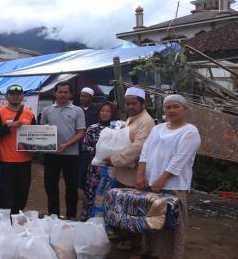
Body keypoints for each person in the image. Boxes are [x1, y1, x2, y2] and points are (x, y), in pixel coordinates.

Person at [134, 94, 201, 259]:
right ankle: (148, 252)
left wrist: (162, 180)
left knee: (171, 224)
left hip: (173, 185)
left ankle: (169, 255)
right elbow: (145, 151)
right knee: (150, 220)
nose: (171, 110)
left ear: (185, 109)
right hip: (150, 183)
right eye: (168, 107)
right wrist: (140, 174)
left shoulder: (190, 131)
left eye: (176, 106)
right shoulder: (157, 128)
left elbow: (179, 160)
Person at [104, 86, 155, 251]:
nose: (130, 106)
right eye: (127, 103)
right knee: (124, 207)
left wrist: (114, 159)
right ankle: (125, 234)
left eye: (134, 103)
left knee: (133, 209)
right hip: (124, 171)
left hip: (134, 173)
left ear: (143, 104)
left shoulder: (145, 121)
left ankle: (134, 241)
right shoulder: (132, 118)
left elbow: (138, 148)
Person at [40, 81, 86, 220]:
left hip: (71, 154)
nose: (63, 94)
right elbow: (42, 131)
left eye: (66, 92)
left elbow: (81, 132)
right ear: (55, 93)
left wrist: (67, 144)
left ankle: (71, 215)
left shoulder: (78, 110)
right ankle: (53, 215)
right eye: (60, 92)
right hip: (51, 154)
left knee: (71, 186)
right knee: (50, 185)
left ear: (70, 94)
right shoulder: (47, 110)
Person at [0, 85, 36, 214]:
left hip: (25, 161)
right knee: (5, 193)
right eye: (12, 93)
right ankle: (4, 220)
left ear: (22, 96)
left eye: (18, 93)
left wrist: (37, 148)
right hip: (6, 161)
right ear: (6, 96)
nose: (15, 96)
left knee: (22, 192)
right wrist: (9, 125)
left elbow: (35, 135)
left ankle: (17, 217)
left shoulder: (30, 114)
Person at [80, 102, 118, 221]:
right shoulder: (93, 128)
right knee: (91, 194)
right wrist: (96, 151)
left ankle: (105, 223)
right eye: (102, 111)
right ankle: (87, 220)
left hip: (111, 170)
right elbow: (85, 146)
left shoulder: (118, 129)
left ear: (113, 113)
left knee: (108, 196)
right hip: (95, 169)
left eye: (108, 111)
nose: (104, 113)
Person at [79, 87, 101, 188]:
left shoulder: (97, 109)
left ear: (91, 98)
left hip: (92, 143)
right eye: (81, 96)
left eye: (85, 96)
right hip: (78, 143)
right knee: (80, 167)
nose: (82, 98)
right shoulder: (76, 109)